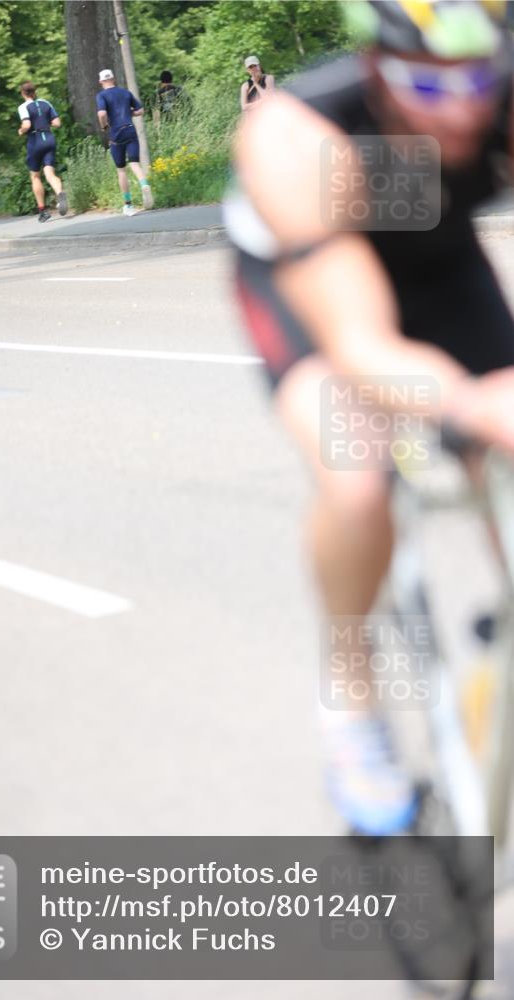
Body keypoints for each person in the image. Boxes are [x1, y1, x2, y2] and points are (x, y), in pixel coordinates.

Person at [226, 0, 514, 835]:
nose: (456, 106)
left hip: (435, 254)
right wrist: (465, 403)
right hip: (313, 286)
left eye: (476, 80)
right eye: (426, 81)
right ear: (377, 65)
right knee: (355, 477)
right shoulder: (296, 135)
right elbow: (358, 343)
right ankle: (351, 705)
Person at [96, 68, 154, 216]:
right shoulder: (125, 93)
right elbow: (140, 110)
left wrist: (104, 126)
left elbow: (102, 113)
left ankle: (128, 205)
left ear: (101, 81)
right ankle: (144, 185)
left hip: (116, 133)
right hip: (130, 129)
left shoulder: (101, 95)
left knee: (121, 169)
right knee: (134, 163)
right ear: (113, 79)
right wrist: (129, 113)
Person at [17, 81, 68, 223]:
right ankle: (60, 193)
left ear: (23, 93)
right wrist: (45, 123)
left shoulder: (23, 107)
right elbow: (57, 123)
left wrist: (21, 131)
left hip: (35, 141)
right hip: (49, 139)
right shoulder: (46, 103)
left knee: (35, 176)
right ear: (35, 91)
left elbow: (26, 125)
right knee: (50, 174)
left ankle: (43, 211)